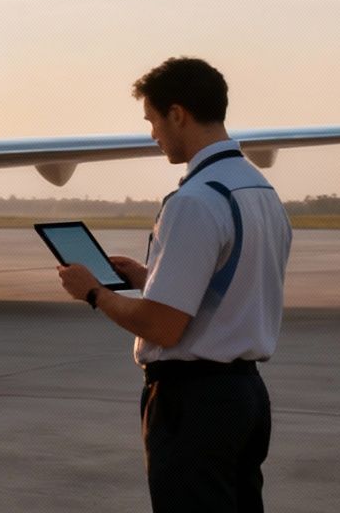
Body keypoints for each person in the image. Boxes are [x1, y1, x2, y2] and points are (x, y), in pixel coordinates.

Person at [55, 57, 292, 512]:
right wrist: (149, 279)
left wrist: (94, 292)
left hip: (193, 403)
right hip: (245, 398)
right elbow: (231, 287)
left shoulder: (194, 202)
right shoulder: (259, 192)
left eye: (152, 119)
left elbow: (162, 327)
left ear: (178, 114)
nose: (152, 134)